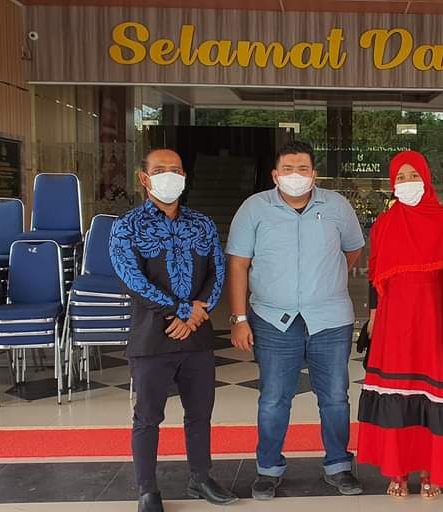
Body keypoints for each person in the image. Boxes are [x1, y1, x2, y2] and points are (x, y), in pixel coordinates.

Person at [225, 140, 366, 500]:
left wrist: (324, 279)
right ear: (275, 175)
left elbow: (352, 250)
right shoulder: (254, 208)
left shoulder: (337, 206)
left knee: (335, 397)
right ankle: (268, 469)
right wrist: (239, 318)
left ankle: (339, 465)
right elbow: (238, 264)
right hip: (273, 320)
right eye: (288, 169)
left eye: (303, 168)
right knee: (274, 398)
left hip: (330, 318)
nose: (296, 175)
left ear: (314, 173)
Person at [109, 149, 237, 512]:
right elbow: (132, 279)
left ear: (184, 176)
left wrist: (197, 313)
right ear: (144, 178)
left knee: (200, 413)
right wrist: (181, 310)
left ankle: (201, 478)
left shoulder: (203, 223)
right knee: (148, 417)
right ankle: (147, 490)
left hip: (197, 336)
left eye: (176, 170)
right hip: (151, 337)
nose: (169, 175)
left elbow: (217, 272)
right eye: (160, 169)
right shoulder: (127, 227)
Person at [357, 150, 443, 499]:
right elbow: (375, 275)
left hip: (433, 316)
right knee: (397, 390)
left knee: (430, 390)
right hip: (394, 318)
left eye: (413, 175)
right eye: (400, 178)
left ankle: (429, 470)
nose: (407, 183)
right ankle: (398, 470)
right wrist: (373, 319)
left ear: (426, 178)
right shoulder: (385, 223)